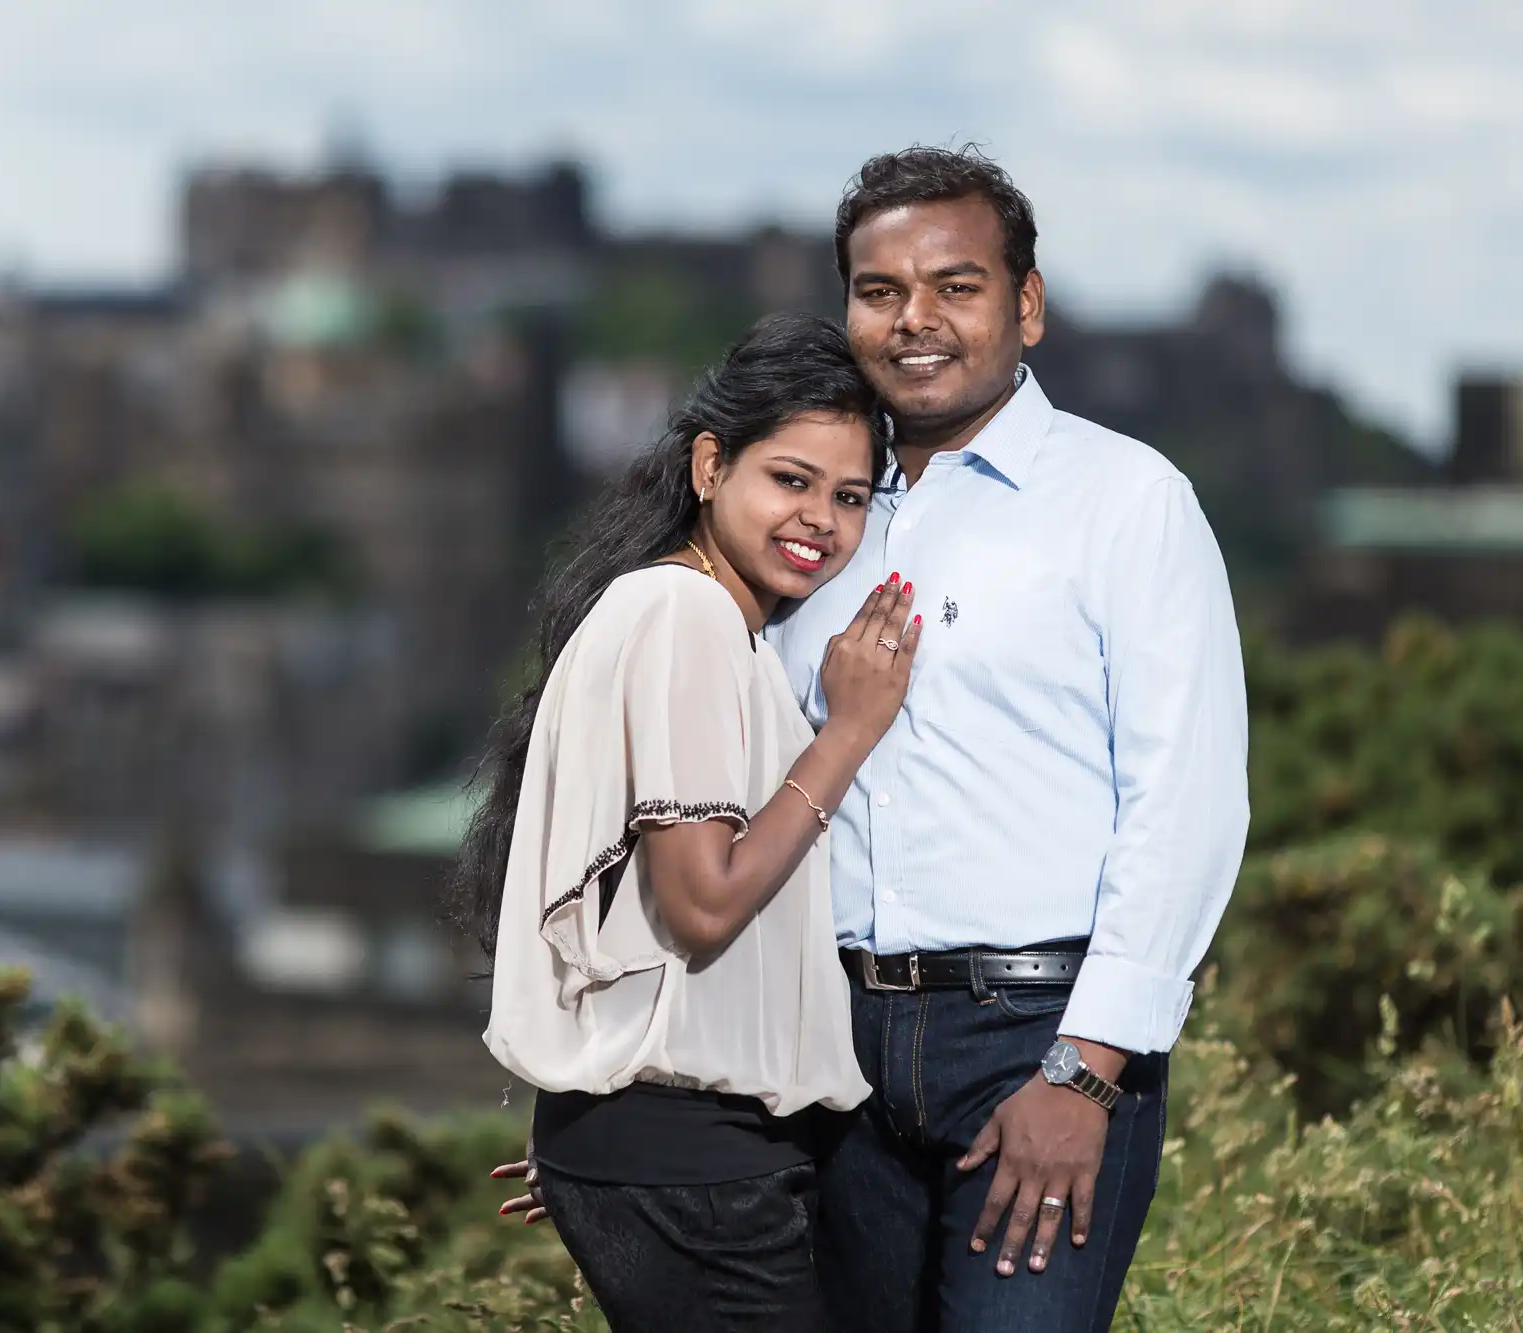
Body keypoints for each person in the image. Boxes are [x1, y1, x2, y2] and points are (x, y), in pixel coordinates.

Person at [495, 147, 1250, 1332]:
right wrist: (635, 1109)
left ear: (1026, 306)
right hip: (826, 1055)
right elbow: (698, 812)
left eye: (955, 285)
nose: (914, 320)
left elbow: (1186, 807)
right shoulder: (810, 526)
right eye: (878, 290)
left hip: (1031, 1033)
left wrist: (1084, 1071)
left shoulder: (1124, 501)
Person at [456, 312, 919, 1332]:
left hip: (664, 1148)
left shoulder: (701, 617)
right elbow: (702, 902)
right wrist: (847, 732)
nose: (820, 521)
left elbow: (647, 922)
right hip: (688, 1160)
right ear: (710, 464)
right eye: (789, 480)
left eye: (849, 496)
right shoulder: (686, 616)